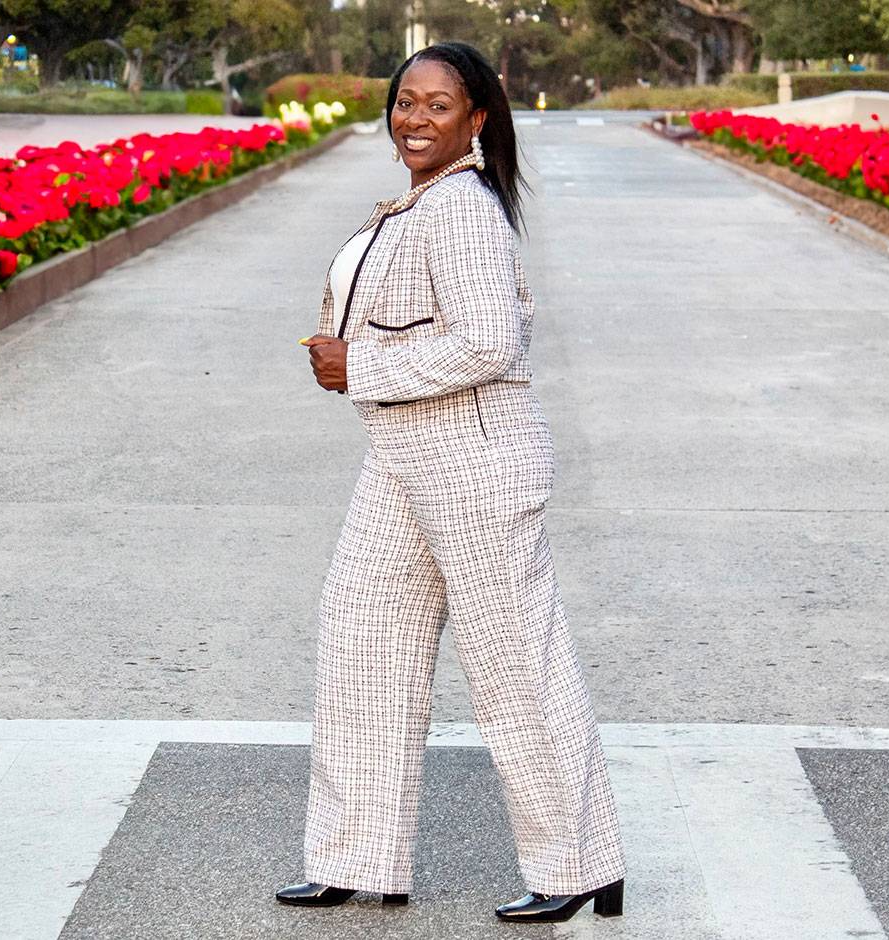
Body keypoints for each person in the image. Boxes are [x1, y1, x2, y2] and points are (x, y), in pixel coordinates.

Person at [277, 41, 627, 924]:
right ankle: (358, 857)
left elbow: (489, 343)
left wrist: (361, 365)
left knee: (514, 665)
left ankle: (580, 863)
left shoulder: (464, 209)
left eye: (439, 105)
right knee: (361, 638)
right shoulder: (419, 202)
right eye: (406, 102)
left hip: (475, 464)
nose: (416, 119)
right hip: (401, 458)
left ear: (476, 120)